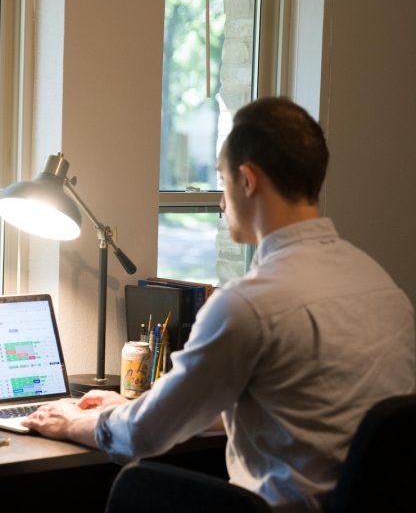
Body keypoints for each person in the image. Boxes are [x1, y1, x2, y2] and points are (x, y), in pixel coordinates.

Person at [23, 97, 415, 512]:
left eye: (223, 182)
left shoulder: (249, 305)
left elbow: (142, 437)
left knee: (135, 488)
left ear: (247, 180)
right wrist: (141, 405)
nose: (220, 203)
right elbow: (290, 408)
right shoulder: (380, 284)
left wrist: (71, 422)